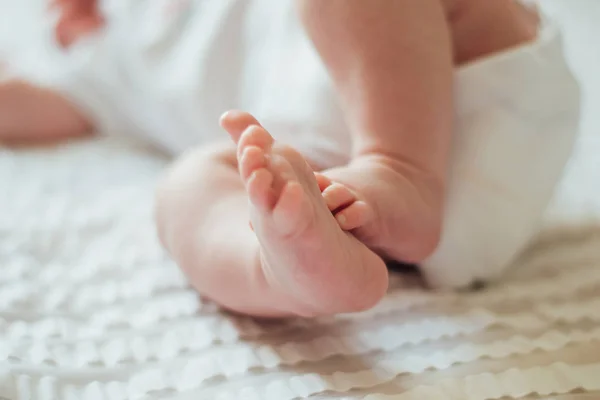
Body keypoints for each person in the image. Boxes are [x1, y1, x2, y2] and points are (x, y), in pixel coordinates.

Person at [0, 0, 580, 317]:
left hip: (458, 71)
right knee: (186, 187)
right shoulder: (93, 68)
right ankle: (288, 266)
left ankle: (401, 167)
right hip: (325, 182)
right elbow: (20, 109)